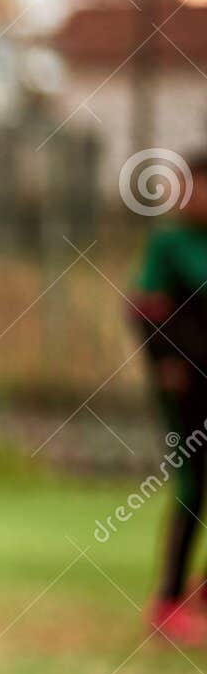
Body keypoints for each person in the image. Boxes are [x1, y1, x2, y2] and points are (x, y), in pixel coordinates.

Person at [129, 148, 207, 645]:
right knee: (193, 485)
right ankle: (167, 601)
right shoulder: (169, 246)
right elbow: (143, 312)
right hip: (187, 390)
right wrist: (167, 365)